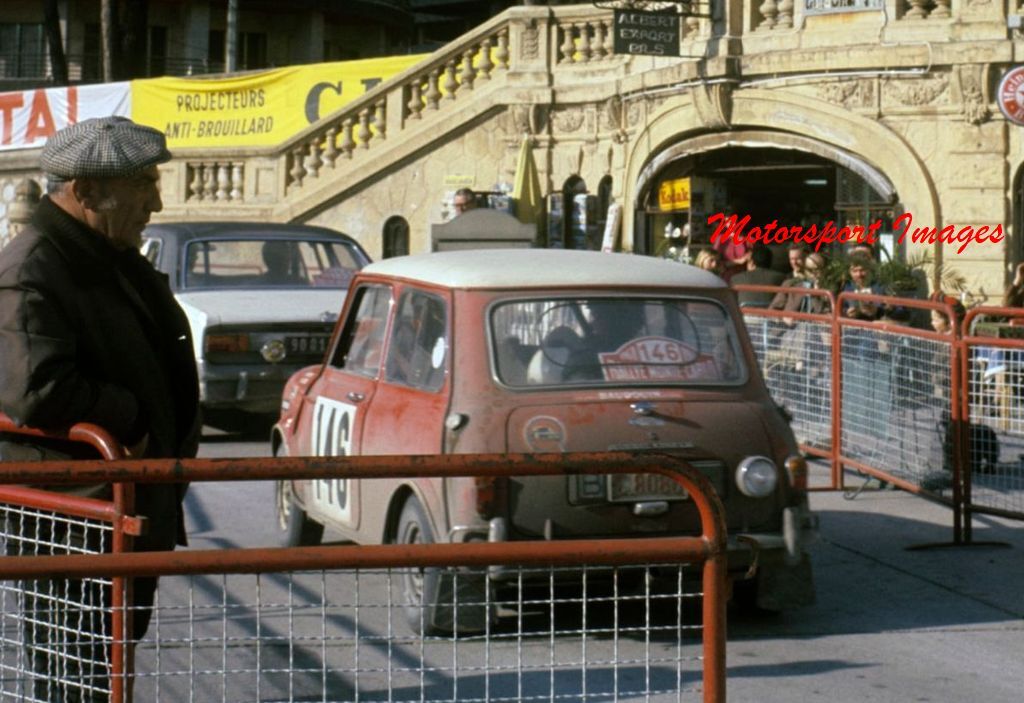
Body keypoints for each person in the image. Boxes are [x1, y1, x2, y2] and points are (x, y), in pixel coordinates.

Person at [0, 116, 201, 701]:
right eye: (143, 185)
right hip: (75, 520)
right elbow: (37, 387)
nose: (155, 202)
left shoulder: (100, 253)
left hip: (114, 510)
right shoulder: (34, 267)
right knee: (78, 679)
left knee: (104, 674)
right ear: (86, 192)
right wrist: (132, 419)